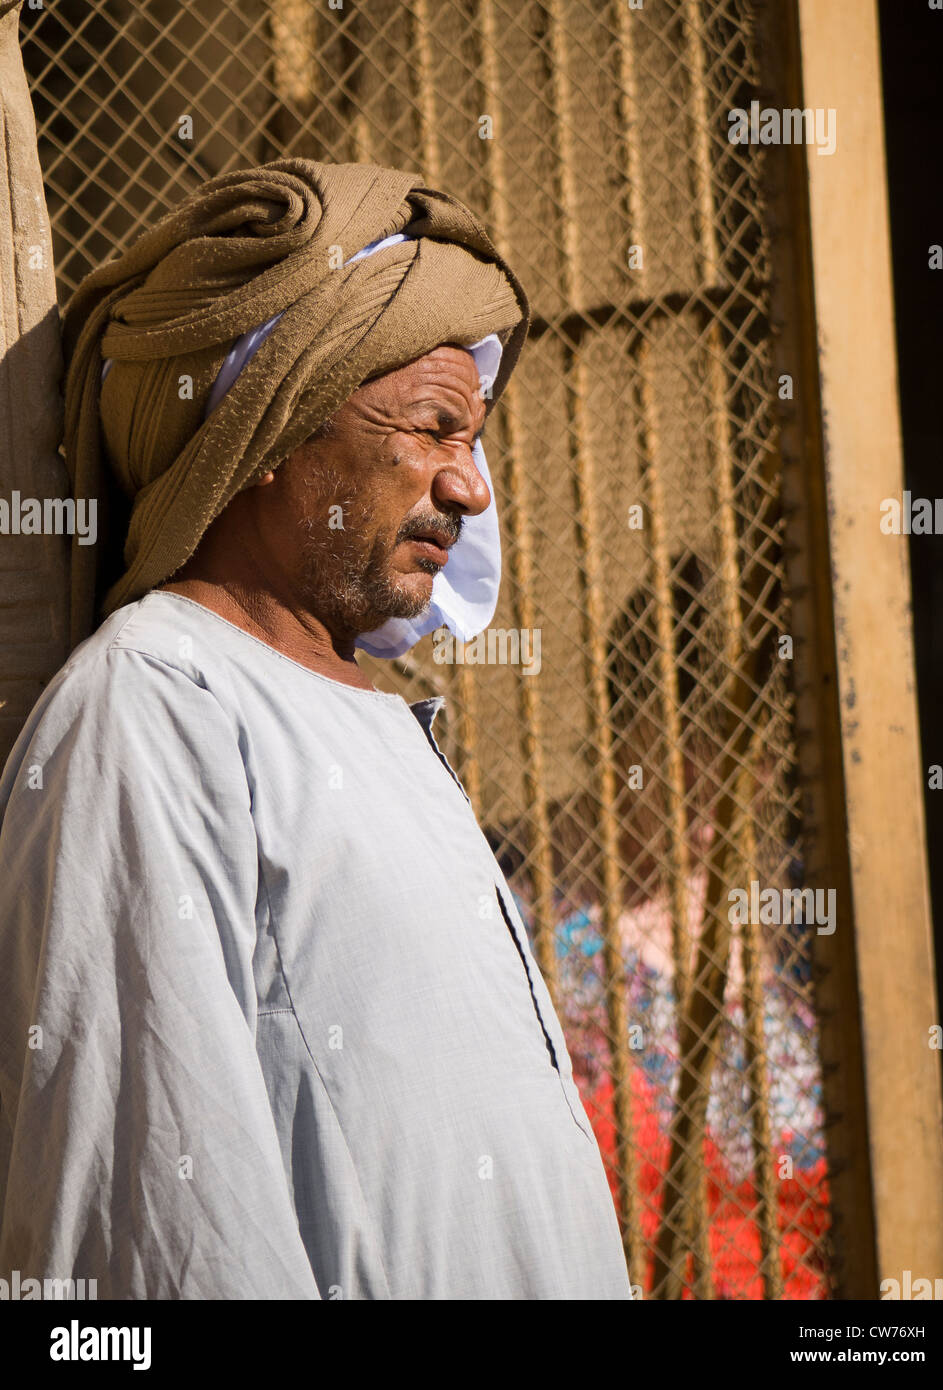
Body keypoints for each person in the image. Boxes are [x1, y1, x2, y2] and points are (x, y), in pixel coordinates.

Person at [0, 159, 632, 1299]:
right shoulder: (152, 711)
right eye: (434, 427)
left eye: (473, 438)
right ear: (272, 431)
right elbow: (170, 1228)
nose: (473, 488)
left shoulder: (382, 730)